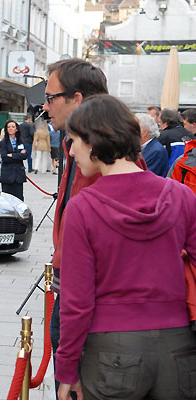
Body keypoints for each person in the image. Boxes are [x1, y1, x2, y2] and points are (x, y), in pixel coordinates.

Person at [57, 94, 196, 400]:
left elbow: (76, 302)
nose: (72, 149)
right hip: (178, 345)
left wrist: (66, 369)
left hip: (112, 349)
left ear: (93, 142)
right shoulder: (181, 195)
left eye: (74, 140)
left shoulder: (82, 208)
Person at [42, 57, 113, 400]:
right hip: (73, 290)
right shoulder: (75, 146)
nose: (45, 106)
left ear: (77, 99)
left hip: (90, 299)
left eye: (51, 97)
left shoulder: (104, 154)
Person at [0, 120, 27, 200]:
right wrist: (19, 155)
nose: (11, 128)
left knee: (19, 198)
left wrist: (12, 155)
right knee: (7, 199)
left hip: (18, 175)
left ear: (16, 129)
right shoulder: (3, 142)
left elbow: (25, 156)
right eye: (9, 127)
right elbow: (4, 157)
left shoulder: (20, 141)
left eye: (13, 127)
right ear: (6, 129)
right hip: (7, 175)